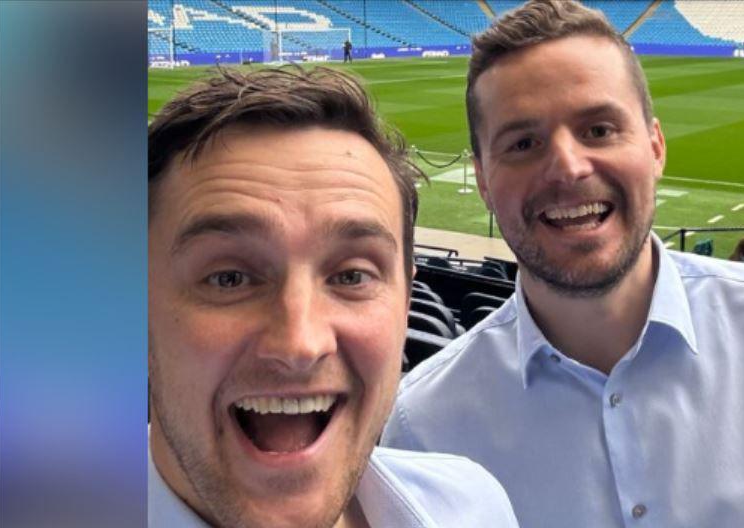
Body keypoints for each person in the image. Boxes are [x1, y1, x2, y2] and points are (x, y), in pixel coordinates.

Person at [381, 1, 744, 527]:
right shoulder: (421, 430)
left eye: (598, 130)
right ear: (480, 179)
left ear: (656, 145)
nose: (568, 168)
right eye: (523, 143)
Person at [148, 66, 518, 528]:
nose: (300, 345)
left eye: (351, 276)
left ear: (406, 302)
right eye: (228, 279)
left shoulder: (472, 507)